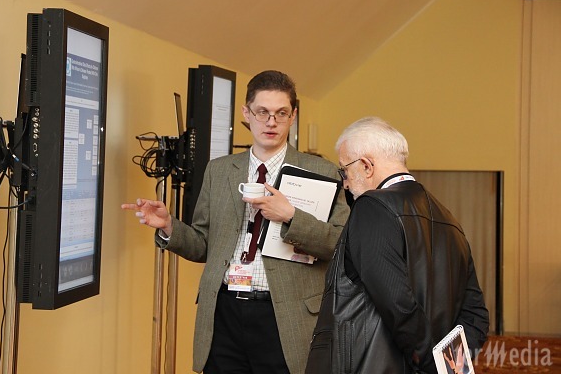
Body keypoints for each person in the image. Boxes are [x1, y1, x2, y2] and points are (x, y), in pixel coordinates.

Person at [122, 70, 349, 374]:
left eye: (281, 113)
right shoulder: (219, 170)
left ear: (293, 116)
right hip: (224, 313)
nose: (271, 122)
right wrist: (169, 226)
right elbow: (203, 244)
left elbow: (340, 244)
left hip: (285, 316)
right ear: (246, 113)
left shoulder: (321, 171)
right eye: (262, 112)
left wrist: (291, 217)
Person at [305, 117, 489, 373]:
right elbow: (476, 315)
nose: (345, 183)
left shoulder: (371, 207)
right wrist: (449, 367)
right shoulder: (449, 219)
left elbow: (398, 305)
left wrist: (430, 364)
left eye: (344, 171)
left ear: (366, 165)